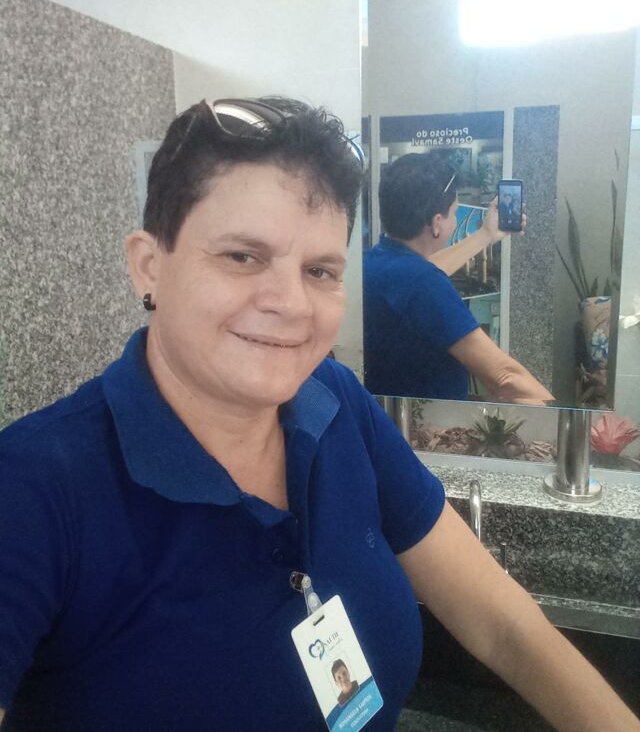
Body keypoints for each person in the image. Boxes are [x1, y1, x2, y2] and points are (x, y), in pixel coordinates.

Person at [0, 98, 637, 732]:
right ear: (149, 266)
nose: (291, 304)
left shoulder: (333, 401)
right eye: (242, 256)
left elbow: (500, 623)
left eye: (320, 270)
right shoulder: (34, 485)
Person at [364, 153, 553, 404]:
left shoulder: (375, 263)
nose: (456, 220)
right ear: (437, 223)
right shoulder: (423, 283)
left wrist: (486, 234)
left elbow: (423, 271)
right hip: (425, 423)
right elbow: (506, 378)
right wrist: (567, 420)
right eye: (455, 212)